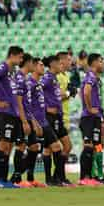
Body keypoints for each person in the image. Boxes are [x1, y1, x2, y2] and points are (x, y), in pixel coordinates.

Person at [0, 46, 24, 189]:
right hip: (3, 113)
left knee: (8, 147)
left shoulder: (12, 71)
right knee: (3, 145)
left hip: (12, 113)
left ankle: (3, 179)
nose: (21, 60)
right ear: (12, 55)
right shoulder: (3, 67)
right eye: (20, 57)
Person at [11, 53, 43, 187]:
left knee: (34, 147)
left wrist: (34, 121)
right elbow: (18, 101)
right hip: (20, 117)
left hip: (28, 116)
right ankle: (17, 179)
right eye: (32, 63)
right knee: (21, 146)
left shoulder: (25, 79)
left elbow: (27, 103)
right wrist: (24, 121)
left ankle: (30, 177)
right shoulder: (19, 77)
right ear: (28, 63)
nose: (34, 66)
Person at [41, 55, 74, 186]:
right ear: (52, 64)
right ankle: (51, 179)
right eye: (58, 63)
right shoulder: (47, 78)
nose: (61, 65)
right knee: (51, 148)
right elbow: (36, 91)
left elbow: (57, 94)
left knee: (67, 146)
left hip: (58, 117)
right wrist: (45, 108)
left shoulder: (54, 78)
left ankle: (57, 177)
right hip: (49, 116)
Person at [29, 58, 62, 187]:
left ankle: (50, 179)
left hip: (44, 120)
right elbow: (26, 103)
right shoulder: (31, 84)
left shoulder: (37, 84)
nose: (43, 67)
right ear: (34, 67)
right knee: (55, 147)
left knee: (46, 149)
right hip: (39, 121)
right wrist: (33, 121)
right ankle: (54, 178)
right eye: (40, 65)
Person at [78, 53, 104, 186]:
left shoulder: (95, 78)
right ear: (94, 63)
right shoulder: (90, 76)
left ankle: (93, 175)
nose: (103, 64)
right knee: (88, 145)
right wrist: (88, 108)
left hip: (95, 117)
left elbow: (82, 92)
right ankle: (84, 177)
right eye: (101, 61)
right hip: (89, 117)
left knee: (97, 146)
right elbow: (86, 91)